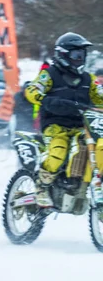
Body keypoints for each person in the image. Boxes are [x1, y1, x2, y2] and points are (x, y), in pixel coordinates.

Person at [25, 32, 103, 207]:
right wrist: (45, 99)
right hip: (55, 125)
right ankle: (42, 186)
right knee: (59, 150)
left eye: (82, 55)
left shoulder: (88, 79)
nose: (79, 59)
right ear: (63, 55)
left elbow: (100, 97)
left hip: (83, 126)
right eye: (76, 55)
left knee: (99, 146)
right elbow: (32, 90)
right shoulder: (49, 74)